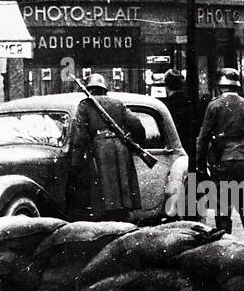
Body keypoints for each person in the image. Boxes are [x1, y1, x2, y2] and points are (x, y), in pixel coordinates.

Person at [69, 73, 145, 221]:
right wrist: (135, 145)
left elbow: (79, 137)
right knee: (124, 198)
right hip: (122, 149)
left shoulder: (85, 105)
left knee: (104, 199)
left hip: (101, 151)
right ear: (104, 89)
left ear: (89, 89)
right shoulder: (118, 103)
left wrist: (75, 164)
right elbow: (137, 125)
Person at [197, 67, 244, 241]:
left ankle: (225, 247)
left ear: (220, 87)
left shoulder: (214, 106)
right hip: (243, 160)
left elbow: (202, 139)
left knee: (222, 208)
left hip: (220, 161)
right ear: (237, 86)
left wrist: (201, 166)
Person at [162, 69, 201, 219]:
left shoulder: (166, 105)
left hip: (172, 152)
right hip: (189, 152)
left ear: (167, 85)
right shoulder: (190, 103)